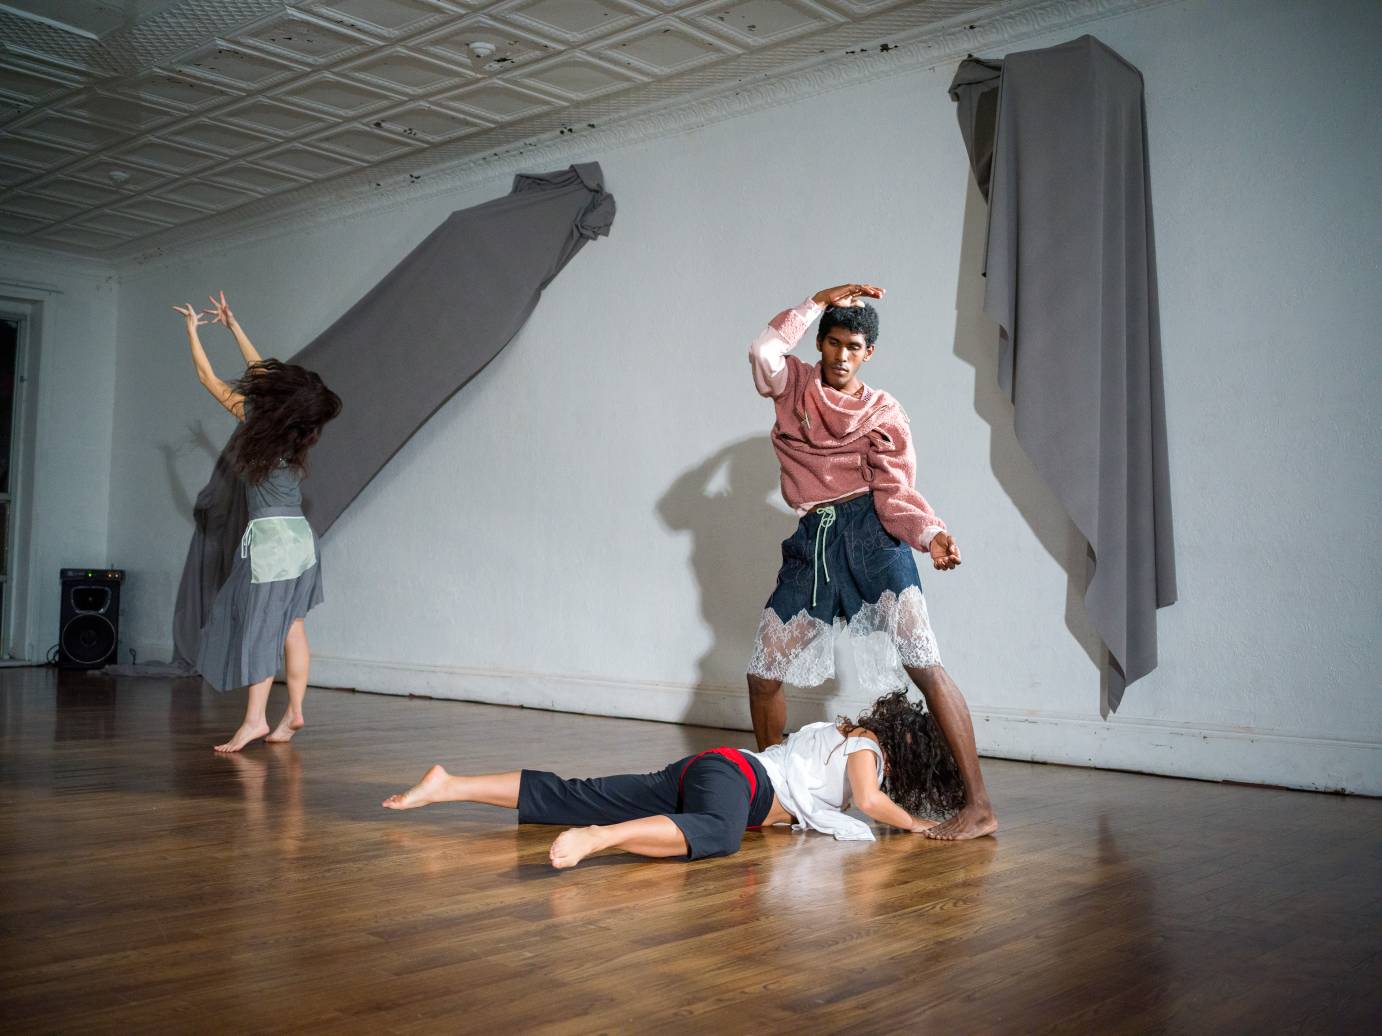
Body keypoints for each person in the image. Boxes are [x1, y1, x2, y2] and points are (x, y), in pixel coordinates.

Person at [744, 283, 996, 840]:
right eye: (832, 343)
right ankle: (776, 790)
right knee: (763, 674)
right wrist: (814, 301)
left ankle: (979, 804)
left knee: (924, 663)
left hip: (873, 534)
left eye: (853, 347)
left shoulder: (883, 412)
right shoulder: (794, 386)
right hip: (815, 540)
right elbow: (764, 351)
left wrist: (930, 535)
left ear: (868, 353)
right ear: (820, 343)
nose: (840, 356)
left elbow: (896, 490)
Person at [381, 691, 965, 869]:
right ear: (908, 747)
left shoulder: (838, 731)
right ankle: (598, 837)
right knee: (718, 832)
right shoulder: (866, 746)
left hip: (718, 766)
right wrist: (917, 825)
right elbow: (867, 799)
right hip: (738, 779)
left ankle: (449, 784)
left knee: (579, 791)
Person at [172, 292, 342, 752]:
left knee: (262, 629)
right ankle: (294, 713)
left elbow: (208, 376)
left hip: (269, 541)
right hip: (302, 539)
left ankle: (254, 721)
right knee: (293, 627)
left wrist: (192, 331)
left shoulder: (254, 425)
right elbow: (266, 376)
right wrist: (233, 325)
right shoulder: (297, 432)